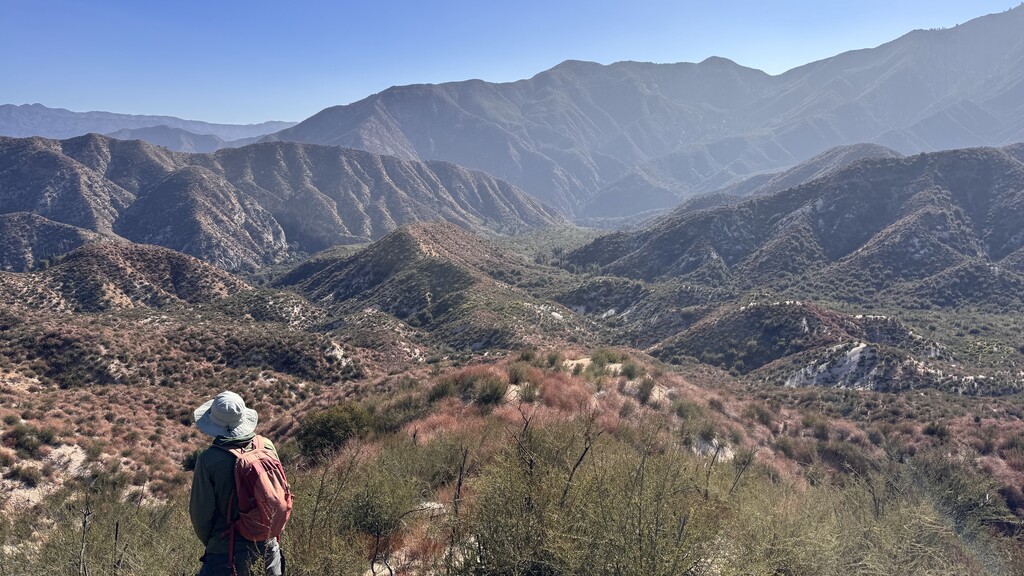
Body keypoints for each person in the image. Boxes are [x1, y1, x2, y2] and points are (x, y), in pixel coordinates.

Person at [190, 391, 286, 576]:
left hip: (227, 552)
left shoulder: (209, 460)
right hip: (268, 548)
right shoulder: (266, 445)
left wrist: (215, 543)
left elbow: (200, 516)